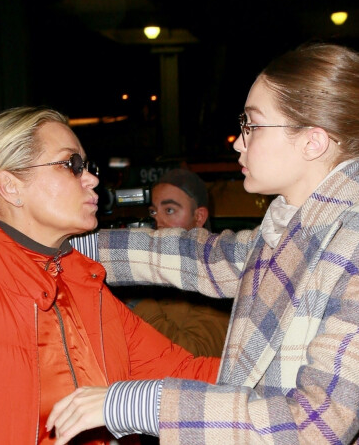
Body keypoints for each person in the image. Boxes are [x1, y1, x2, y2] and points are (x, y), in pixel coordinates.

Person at [47, 41, 359, 444]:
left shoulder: (350, 243)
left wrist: (140, 403)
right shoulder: (294, 231)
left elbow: (314, 424)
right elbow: (204, 258)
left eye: (252, 124)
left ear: (312, 142)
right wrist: (71, 245)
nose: (238, 142)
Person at [0, 106, 220, 444]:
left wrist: (269, 383)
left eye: (87, 166)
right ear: (11, 187)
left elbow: (186, 375)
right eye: (72, 165)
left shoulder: (90, 290)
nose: (92, 179)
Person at [123, 167, 231, 357]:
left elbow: (197, 354)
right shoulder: (150, 266)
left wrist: (138, 302)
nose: (158, 221)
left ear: (199, 217)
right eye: (153, 212)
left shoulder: (214, 276)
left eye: (170, 210)